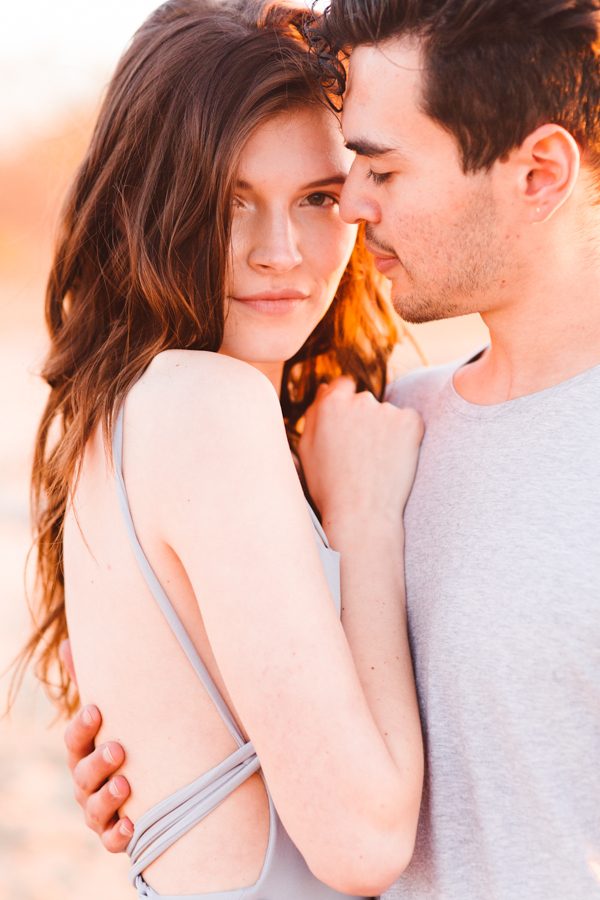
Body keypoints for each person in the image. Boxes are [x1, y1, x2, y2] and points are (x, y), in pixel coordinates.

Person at [69, 0, 600, 897]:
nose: (350, 208)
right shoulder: (375, 432)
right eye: (231, 199)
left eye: (366, 173)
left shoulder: (339, 437)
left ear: (542, 171)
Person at [20, 1, 426, 898]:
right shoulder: (205, 407)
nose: (280, 252)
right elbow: (361, 843)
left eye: (318, 198)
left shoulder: (120, 411)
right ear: (150, 202)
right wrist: (363, 521)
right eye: (229, 201)